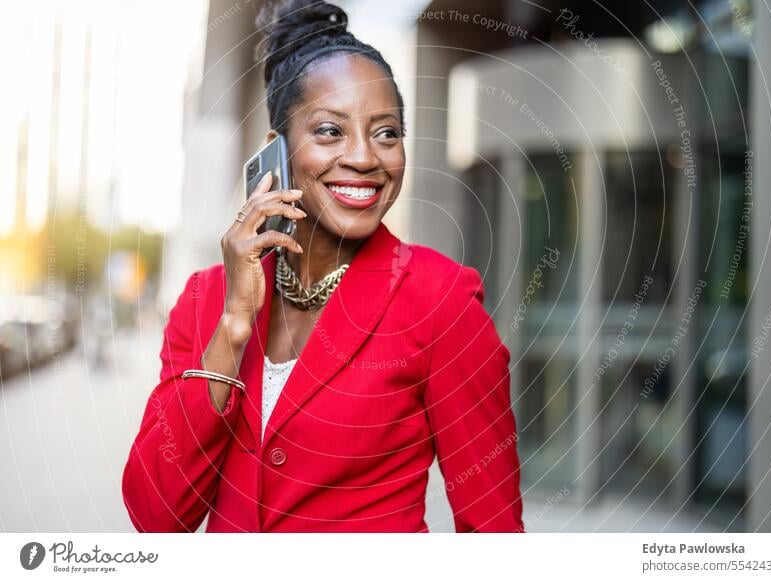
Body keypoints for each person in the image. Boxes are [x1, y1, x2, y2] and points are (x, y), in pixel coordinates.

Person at [121, 0, 523, 533]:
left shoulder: (439, 300)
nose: (364, 157)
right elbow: (157, 515)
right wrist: (234, 325)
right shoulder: (205, 299)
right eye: (331, 131)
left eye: (386, 133)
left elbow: (493, 531)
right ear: (276, 153)